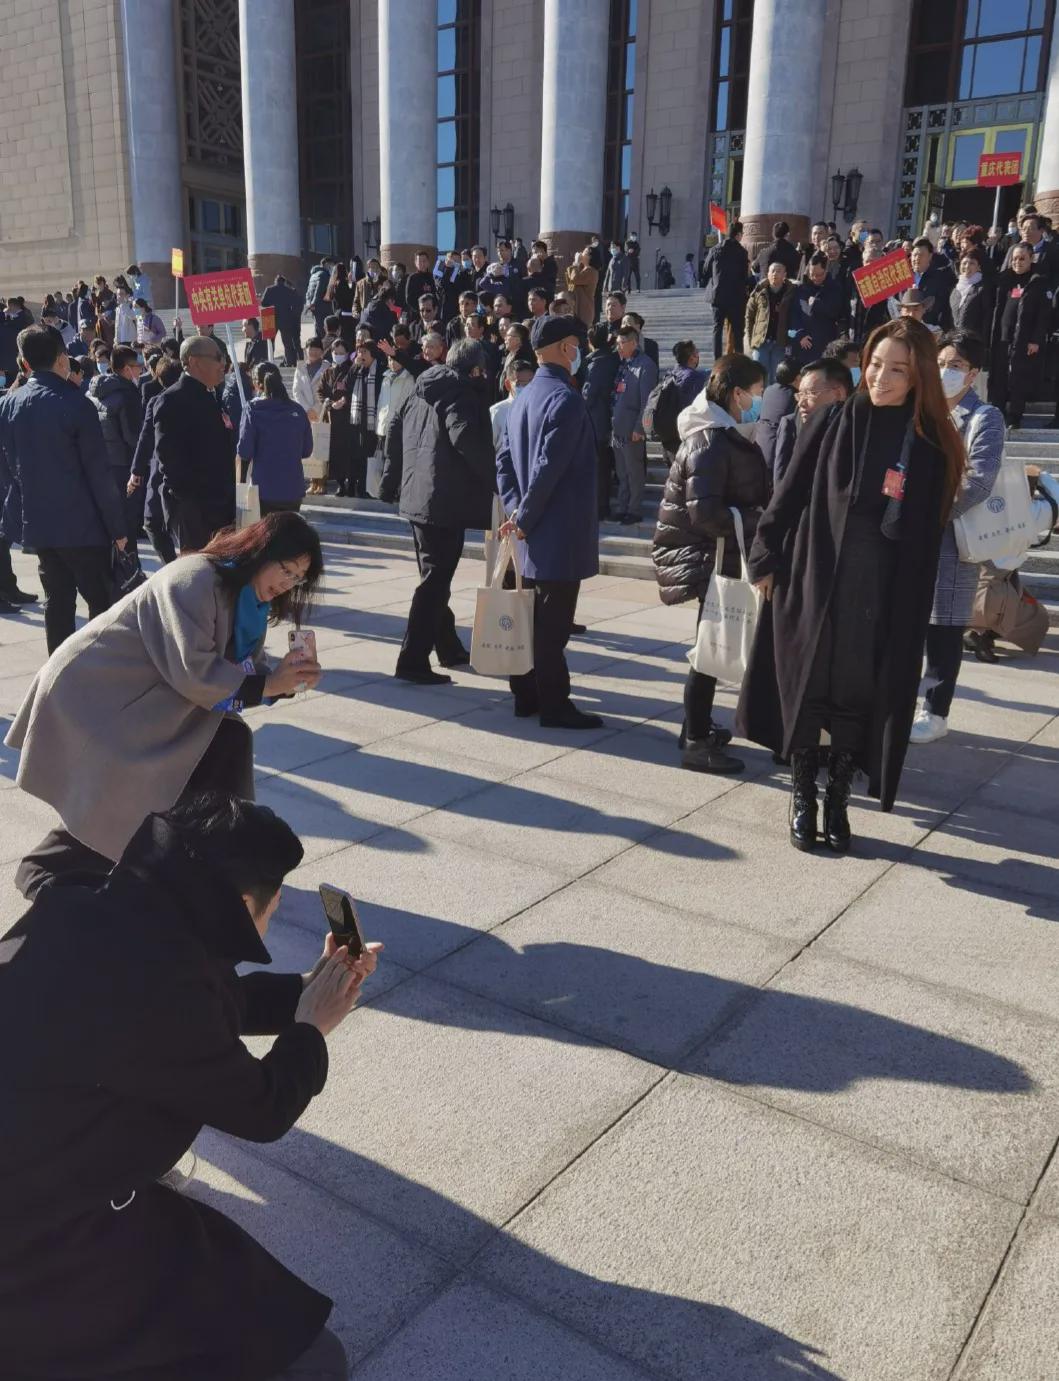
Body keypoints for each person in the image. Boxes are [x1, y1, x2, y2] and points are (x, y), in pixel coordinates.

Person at [0, 791, 379, 1381]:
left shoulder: (84, 908)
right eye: (272, 910)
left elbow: (202, 1005)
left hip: (40, 1167)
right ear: (247, 902)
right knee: (307, 1357)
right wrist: (311, 1028)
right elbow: (263, 1107)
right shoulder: (165, 993)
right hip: (36, 1241)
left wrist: (309, 991)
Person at [738, 318, 965, 852]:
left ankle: (837, 796)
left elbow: (926, 540)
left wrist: (914, 610)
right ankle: (802, 794)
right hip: (814, 580)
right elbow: (787, 495)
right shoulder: (833, 419)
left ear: (919, 379)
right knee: (809, 687)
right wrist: (765, 558)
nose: (882, 377)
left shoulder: (930, 447)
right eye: (876, 363)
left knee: (856, 695)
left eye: (898, 370)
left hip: (878, 594)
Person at [7, 513, 324, 893]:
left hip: (152, 697)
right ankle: (44, 868)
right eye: (286, 570)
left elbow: (242, 669)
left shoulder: (248, 598)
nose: (287, 584)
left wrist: (284, 682)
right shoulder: (195, 579)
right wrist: (269, 683)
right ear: (261, 550)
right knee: (124, 787)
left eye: (297, 578)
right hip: (99, 694)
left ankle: (212, 858)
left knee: (226, 742)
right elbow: (197, 673)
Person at [652, 353, 769, 773]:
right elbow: (706, 515)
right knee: (709, 653)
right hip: (708, 557)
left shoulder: (723, 434)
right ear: (737, 394)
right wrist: (760, 518)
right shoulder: (710, 440)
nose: (759, 401)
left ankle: (694, 727)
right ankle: (697, 741)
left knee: (712, 648)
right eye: (756, 393)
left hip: (718, 556)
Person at [496, 316, 601, 728]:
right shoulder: (566, 399)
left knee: (530, 620)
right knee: (552, 629)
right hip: (556, 531)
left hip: (528, 528)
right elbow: (549, 467)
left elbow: (504, 461)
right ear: (562, 349)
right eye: (576, 345)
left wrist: (514, 509)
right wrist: (524, 516)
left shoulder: (521, 397)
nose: (579, 353)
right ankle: (555, 705)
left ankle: (525, 696)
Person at [0, 327, 127, 653]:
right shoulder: (76, 403)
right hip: (82, 525)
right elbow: (98, 474)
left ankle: (60, 677)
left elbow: (10, 470)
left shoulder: (8, 405)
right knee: (101, 603)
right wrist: (118, 528)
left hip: (40, 525)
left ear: (24, 363)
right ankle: (101, 670)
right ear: (61, 359)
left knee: (57, 604)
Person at [907, 330, 1006, 744]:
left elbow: (979, 481)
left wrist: (933, 515)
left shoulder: (985, 417)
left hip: (949, 537)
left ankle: (936, 710)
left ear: (973, 374)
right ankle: (908, 700)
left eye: (957, 365)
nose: (947, 371)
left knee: (944, 628)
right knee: (911, 623)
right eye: (942, 362)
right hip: (909, 535)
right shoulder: (922, 411)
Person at [379, 338, 495, 683]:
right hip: (443, 501)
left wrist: (390, 480)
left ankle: (448, 647)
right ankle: (412, 660)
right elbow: (465, 438)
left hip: (419, 496)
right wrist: (500, 480)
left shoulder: (421, 388)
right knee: (435, 582)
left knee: (434, 578)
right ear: (474, 369)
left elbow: (394, 432)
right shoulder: (460, 392)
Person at [154, 334, 237, 552]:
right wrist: (191, 506)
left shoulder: (212, 395)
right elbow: (170, 460)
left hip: (219, 506)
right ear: (194, 361)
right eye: (218, 358)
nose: (223, 364)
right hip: (195, 512)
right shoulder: (172, 400)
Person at [236, 361, 313, 516]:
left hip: (264, 487)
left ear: (257, 384)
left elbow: (245, 450)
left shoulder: (253, 409)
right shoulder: (297, 410)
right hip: (293, 487)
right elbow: (306, 450)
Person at [88, 343, 144, 547]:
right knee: (127, 521)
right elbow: (132, 435)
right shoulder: (127, 395)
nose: (141, 368)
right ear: (126, 368)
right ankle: (130, 571)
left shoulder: (100, 391)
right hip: (126, 465)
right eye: (137, 364)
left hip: (107, 462)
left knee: (115, 521)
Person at [128, 357, 183, 565]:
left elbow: (145, 438)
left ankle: (172, 564)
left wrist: (136, 471)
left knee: (152, 522)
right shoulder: (201, 398)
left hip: (161, 470)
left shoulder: (157, 401)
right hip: (190, 472)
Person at [988, 244, 1049, 430]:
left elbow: (1043, 315)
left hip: (1024, 339)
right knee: (999, 377)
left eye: (1022, 258)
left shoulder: (1038, 282)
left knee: (1018, 379)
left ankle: (1014, 416)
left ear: (1032, 259)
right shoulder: (1005, 279)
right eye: (1014, 258)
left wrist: (1036, 339)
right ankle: (997, 413)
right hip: (1003, 338)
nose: (1017, 262)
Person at [772, 356, 854, 487]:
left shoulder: (855, 431)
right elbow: (780, 484)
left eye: (810, 393)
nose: (801, 403)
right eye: (800, 394)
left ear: (839, 393)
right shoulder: (791, 425)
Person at [610, 324, 659, 525]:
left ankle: (634, 508)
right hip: (617, 428)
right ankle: (622, 507)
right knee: (622, 473)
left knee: (634, 471)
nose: (619, 347)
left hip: (632, 429)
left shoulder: (645, 365)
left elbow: (647, 401)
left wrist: (640, 428)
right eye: (617, 343)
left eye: (622, 343)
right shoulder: (624, 364)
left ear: (634, 342)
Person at [582, 323, 620, 520]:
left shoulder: (596, 364)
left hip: (596, 423)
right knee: (604, 467)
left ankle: (599, 507)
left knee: (598, 469)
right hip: (609, 420)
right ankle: (602, 505)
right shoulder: (613, 360)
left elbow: (589, 395)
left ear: (590, 342)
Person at [343, 337, 385, 497]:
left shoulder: (380, 370)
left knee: (370, 456)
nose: (361, 354)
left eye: (364, 351)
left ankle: (368, 489)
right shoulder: (356, 369)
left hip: (373, 421)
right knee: (356, 455)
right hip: (357, 421)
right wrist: (355, 367)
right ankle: (356, 487)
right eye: (359, 351)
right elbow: (347, 385)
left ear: (373, 353)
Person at [705, 221, 751, 357]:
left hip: (718, 296)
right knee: (737, 331)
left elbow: (705, 270)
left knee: (717, 329)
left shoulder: (715, 249)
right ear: (738, 235)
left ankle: (717, 359)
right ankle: (739, 359)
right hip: (736, 298)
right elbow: (744, 276)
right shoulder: (742, 252)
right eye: (742, 234)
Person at [745, 262, 796, 384]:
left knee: (777, 378)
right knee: (759, 378)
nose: (775, 274)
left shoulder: (791, 293)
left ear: (784, 275)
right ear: (767, 274)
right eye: (772, 271)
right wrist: (751, 339)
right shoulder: (759, 292)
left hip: (780, 342)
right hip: (761, 342)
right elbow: (749, 316)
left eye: (778, 271)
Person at [790, 253, 845, 364]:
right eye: (812, 274)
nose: (815, 278)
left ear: (826, 271)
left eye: (819, 275)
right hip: (805, 344)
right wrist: (800, 335)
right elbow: (795, 314)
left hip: (826, 342)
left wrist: (817, 304)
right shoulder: (802, 289)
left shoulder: (835, 287)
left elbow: (836, 312)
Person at [753, 357, 800, 475]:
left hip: (760, 445)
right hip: (778, 452)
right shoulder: (795, 396)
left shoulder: (769, 390)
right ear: (798, 378)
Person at [491, 354, 536, 450]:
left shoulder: (538, 409)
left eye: (530, 383)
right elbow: (488, 447)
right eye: (519, 384)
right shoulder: (497, 411)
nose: (527, 388)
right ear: (508, 385)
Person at [260, 274, 304, 366]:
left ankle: (269, 361)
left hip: (271, 318)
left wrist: (272, 304)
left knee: (270, 342)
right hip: (286, 319)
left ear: (275, 281)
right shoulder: (289, 291)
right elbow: (295, 302)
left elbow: (263, 303)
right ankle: (290, 361)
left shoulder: (269, 289)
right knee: (287, 342)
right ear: (284, 282)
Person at [950, 250, 993, 336]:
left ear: (978, 267)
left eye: (972, 263)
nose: (967, 266)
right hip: (956, 339)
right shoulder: (955, 289)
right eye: (964, 263)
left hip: (974, 341)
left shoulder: (983, 288)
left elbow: (987, 318)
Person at [293, 337, 327, 421]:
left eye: (317, 349)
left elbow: (327, 392)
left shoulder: (327, 368)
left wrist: (315, 410)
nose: (314, 352)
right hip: (303, 412)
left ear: (322, 351)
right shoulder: (300, 368)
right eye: (311, 349)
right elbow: (296, 391)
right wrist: (307, 409)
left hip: (322, 412)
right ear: (305, 350)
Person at [565, 248, 599, 326]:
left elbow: (574, 279)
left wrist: (577, 263)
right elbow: (570, 284)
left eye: (584, 252)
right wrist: (576, 265)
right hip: (575, 306)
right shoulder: (582, 269)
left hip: (584, 308)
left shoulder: (591, 271)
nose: (581, 254)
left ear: (589, 257)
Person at [305, 254, 336, 337]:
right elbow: (319, 290)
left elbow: (308, 292)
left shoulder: (313, 275)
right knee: (324, 329)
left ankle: (318, 343)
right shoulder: (324, 275)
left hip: (315, 307)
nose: (332, 267)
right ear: (326, 264)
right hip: (322, 306)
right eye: (332, 265)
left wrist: (309, 303)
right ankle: (323, 346)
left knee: (317, 327)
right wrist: (314, 303)